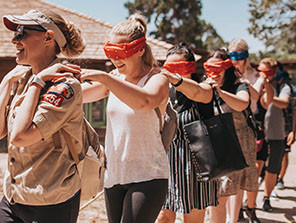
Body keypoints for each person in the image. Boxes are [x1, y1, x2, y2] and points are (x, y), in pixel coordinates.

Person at [78, 14, 170, 223]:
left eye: (121, 53)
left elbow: (145, 101)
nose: (115, 59)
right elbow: (79, 96)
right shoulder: (114, 81)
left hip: (149, 175)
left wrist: (104, 77)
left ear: (140, 49)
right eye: (110, 52)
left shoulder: (157, 79)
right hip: (115, 176)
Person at [0, 9, 85, 222]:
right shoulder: (22, 80)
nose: (14, 40)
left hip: (50, 200)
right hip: (14, 197)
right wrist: (5, 83)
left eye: (21, 33)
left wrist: (37, 82)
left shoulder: (65, 85)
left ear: (48, 37)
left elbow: (20, 136)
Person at [156, 43, 219, 223]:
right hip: (167, 162)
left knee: (192, 219)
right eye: (169, 68)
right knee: (163, 217)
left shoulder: (203, 87)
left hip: (196, 166)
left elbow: (200, 93)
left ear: (190, 67)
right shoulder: (165, 92)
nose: (172, 73)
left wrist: (173, 78)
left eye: (178, 68)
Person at [206, 49, 258, 223]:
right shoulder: (204, 85)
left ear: (226, 68)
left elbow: (243, 103)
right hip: (215, 147)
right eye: (210, 67)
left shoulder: (238, 85)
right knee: (217, 199)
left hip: (239, 145)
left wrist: (219, 92)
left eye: (218, 67)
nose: (214, 72)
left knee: (224, 196)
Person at [229, 39, 269, 222]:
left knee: (247, 174)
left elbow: (255, 97)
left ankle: (244, 211)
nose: (234, 60)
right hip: (230, 126)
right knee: (231, 175)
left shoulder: (254, 75)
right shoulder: (228, 74)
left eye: (238, 55)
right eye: (231, 55)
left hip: (249, 127)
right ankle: (234, 214)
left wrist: (243, 82)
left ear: (245, 56)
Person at [260, 58, 291, 212]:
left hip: (277, 133)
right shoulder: (257, 83)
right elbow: (264, 103)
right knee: (258, 165)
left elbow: (283, 102)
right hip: (260, 132)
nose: (267, 75)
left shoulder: (283, 85)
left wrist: (267, 87)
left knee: (273, 167)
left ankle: (266, 196)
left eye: (270, 71)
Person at [274, 62, 295, 190]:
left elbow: (294, 110)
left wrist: (293, 130)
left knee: (284, 153)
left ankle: (280, 178)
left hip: (285, 127)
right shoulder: (270, 85)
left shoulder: (289, 89)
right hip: (271, 127)